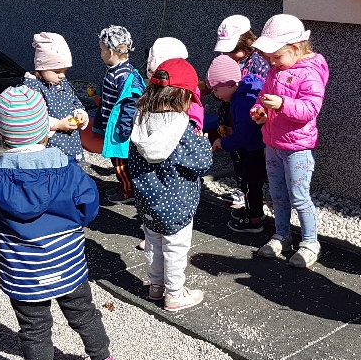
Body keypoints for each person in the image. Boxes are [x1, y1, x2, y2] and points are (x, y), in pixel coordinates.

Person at [0, 86, 118, 360]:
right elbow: (89, 205)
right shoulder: (68, 169)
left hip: (24, 271)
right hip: (67, 262)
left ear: (0, 133)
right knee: (84, 314)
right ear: (46, 129)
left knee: (34, 329)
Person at [127, 58, 213, 312]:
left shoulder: (140, 121)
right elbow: (202, 163)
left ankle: (156, 286)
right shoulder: (182, 128)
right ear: (183, 96)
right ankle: (174, 294)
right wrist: (202, 141)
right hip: (177, 203)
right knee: (175, 248)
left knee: (153, 243)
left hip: (147, 200)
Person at [249, 14, 329, 269]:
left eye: (276, 56)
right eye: (269, 58)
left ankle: (310, 243)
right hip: (273, 142)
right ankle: (281, 235)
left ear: (295, 48)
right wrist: (259, 110)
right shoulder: (276, 70)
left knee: (299, 196)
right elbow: (263, 96)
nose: (272, 62)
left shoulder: (310, 74)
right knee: (277, 194)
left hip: (298, 148)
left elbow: (310, 109)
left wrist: (282, 104)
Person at [209, 15, 270, 209]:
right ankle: (242, 187)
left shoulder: (258, 62)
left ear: (246, 44)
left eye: (233, 51)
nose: (229, 55)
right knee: (237, 155)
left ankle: (251, 195)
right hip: (229, 114)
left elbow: (261, 92)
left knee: (250, 157)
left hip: (247, 116)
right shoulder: (225, 58)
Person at [207, 54, 265, 233]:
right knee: (252, 183)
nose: (216, 95)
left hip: (253, 149)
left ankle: (254, 220)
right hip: (256, 145)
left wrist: (222, 142)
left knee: (250, 184)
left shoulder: (241, 101)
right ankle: (254, 212)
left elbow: (243, 136)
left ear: (229, 84)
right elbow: (245, 127)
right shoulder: (245, 93)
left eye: (216, 89)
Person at [92, 26, 146, 204]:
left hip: (120, 128)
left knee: (121, 161)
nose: (101, 54)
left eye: (101, 50)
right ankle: (124, 185)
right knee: (117, 160)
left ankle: (128, 191)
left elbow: (131, 102)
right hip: (113, 124)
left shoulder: (123, 75)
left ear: (110, 51)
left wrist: (124, 127)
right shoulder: (116, 70)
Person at [21, 32, 89, 162]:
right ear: (41, 67)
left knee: (70, 167)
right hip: (49, 144)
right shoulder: (33, 88)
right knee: (53, 168)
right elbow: (30, 118)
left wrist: (80, 113)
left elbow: (74, 101)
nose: (62, 75)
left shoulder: (62, 83)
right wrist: (57, 124)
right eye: (57, 71)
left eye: (65, 71)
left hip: (70, 142)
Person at [146, 37, 204, 133]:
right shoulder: (155, 84)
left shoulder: (187, 87)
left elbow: (195, 117)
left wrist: (193, 132)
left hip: (182, 134)